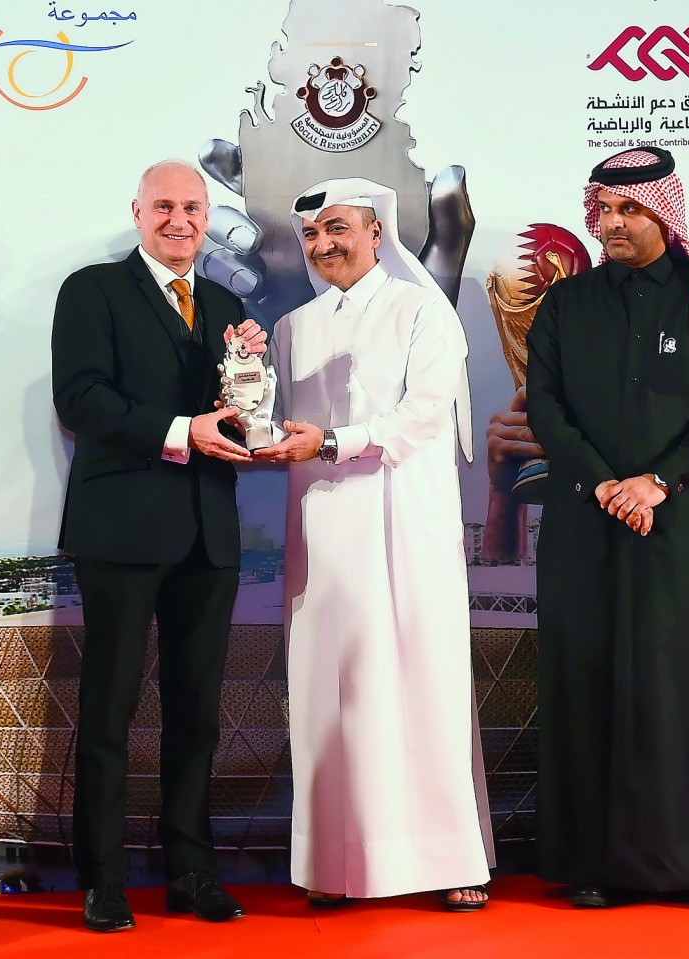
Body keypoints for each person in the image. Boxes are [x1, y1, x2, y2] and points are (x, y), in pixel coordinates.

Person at [526, 148, 689, 909]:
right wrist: (603, 481)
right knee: (586, 682)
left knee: (680, 687)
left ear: (665, 211)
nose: (613, 223)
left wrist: (659, 481)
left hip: (683, 524)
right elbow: (547, 409)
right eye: (603, 208)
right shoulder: (567, 306)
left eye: (630, 209)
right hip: (585, 520)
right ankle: (592, 865)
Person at [255, 177, 493, 910]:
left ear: (375, 231)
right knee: (335, 696)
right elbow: (275, 426)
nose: (324, 244)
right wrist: (247, 390)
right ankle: (338, 863)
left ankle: (451, 858)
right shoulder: (293, 326)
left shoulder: (421, 308)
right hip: (324, 537)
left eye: (338, 229)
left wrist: (334, 438)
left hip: (406, 530)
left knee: (424, 683)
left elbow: (424, 415)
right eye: (312, 235)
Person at [51, 159, 263, 932]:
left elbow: (232, 414)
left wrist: (250, 379)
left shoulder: (223, 304)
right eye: (165, 206)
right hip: (122, 530)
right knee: (108, 708)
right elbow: (80, 399)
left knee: (197, 712)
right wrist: (183, 430)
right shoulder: (92, 291)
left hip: (209, 530)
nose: (181, 220)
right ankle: (103, 880)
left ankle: (190, 870)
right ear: (138, 211)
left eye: (193, 207)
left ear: (208, 217)